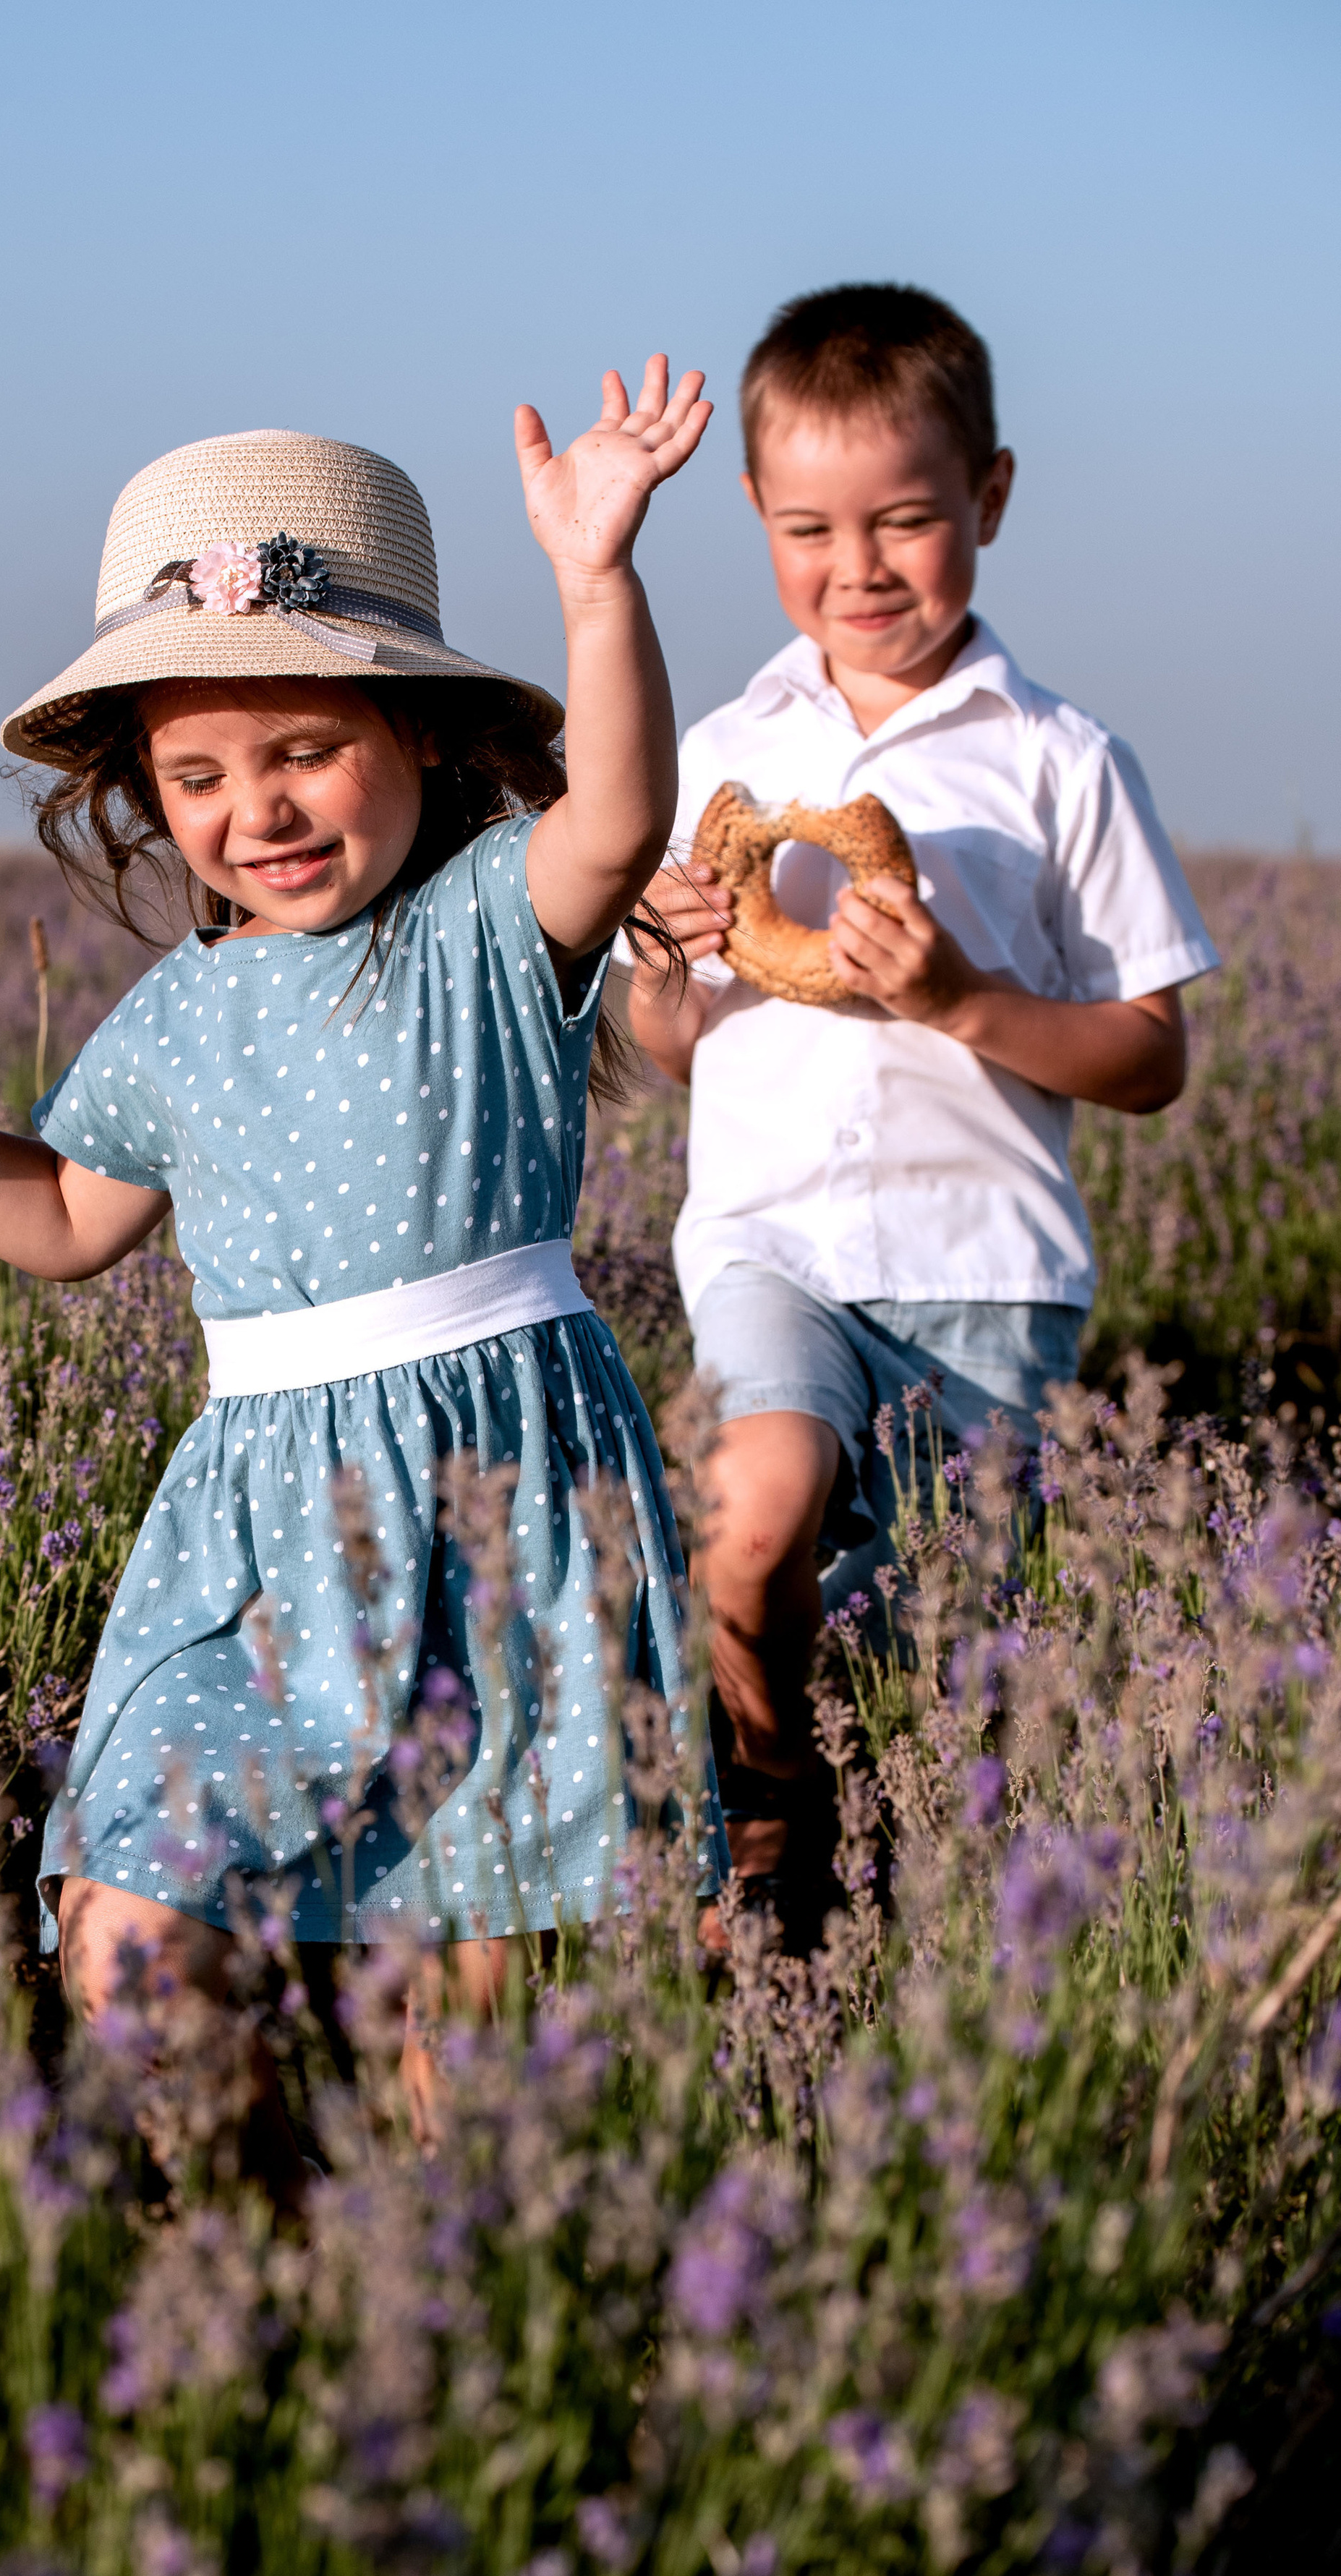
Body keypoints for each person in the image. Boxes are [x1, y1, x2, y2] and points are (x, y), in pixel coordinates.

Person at [0, 371, 720, 2171]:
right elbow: (69, 1220)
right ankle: (219, 2238)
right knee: (133, 1930)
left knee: (461, 2020)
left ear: (420, 743)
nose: (261, 811)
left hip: (496, 1510)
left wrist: (595, 573)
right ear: (145, 792)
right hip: (251, 1543)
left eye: (304, 750)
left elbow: (613, 819)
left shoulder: (484, 924)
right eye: (199, 774)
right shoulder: (179, 1017)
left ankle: (388, 2305)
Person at [626, 285, 1219, 1943]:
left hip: (984, 1272)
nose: (858, 568)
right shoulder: (726, 755)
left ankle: (906, 1892)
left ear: (991, 500)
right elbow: (682, 1041)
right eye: (809, 528)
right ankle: (762, 1824)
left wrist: (958, 1000)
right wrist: (667, 963)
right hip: (768, 1246)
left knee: (938, 1643)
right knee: (753, 1506)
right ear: (752, 515)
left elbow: (1149, 1053)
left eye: (905, 521)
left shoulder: (1055, 760)